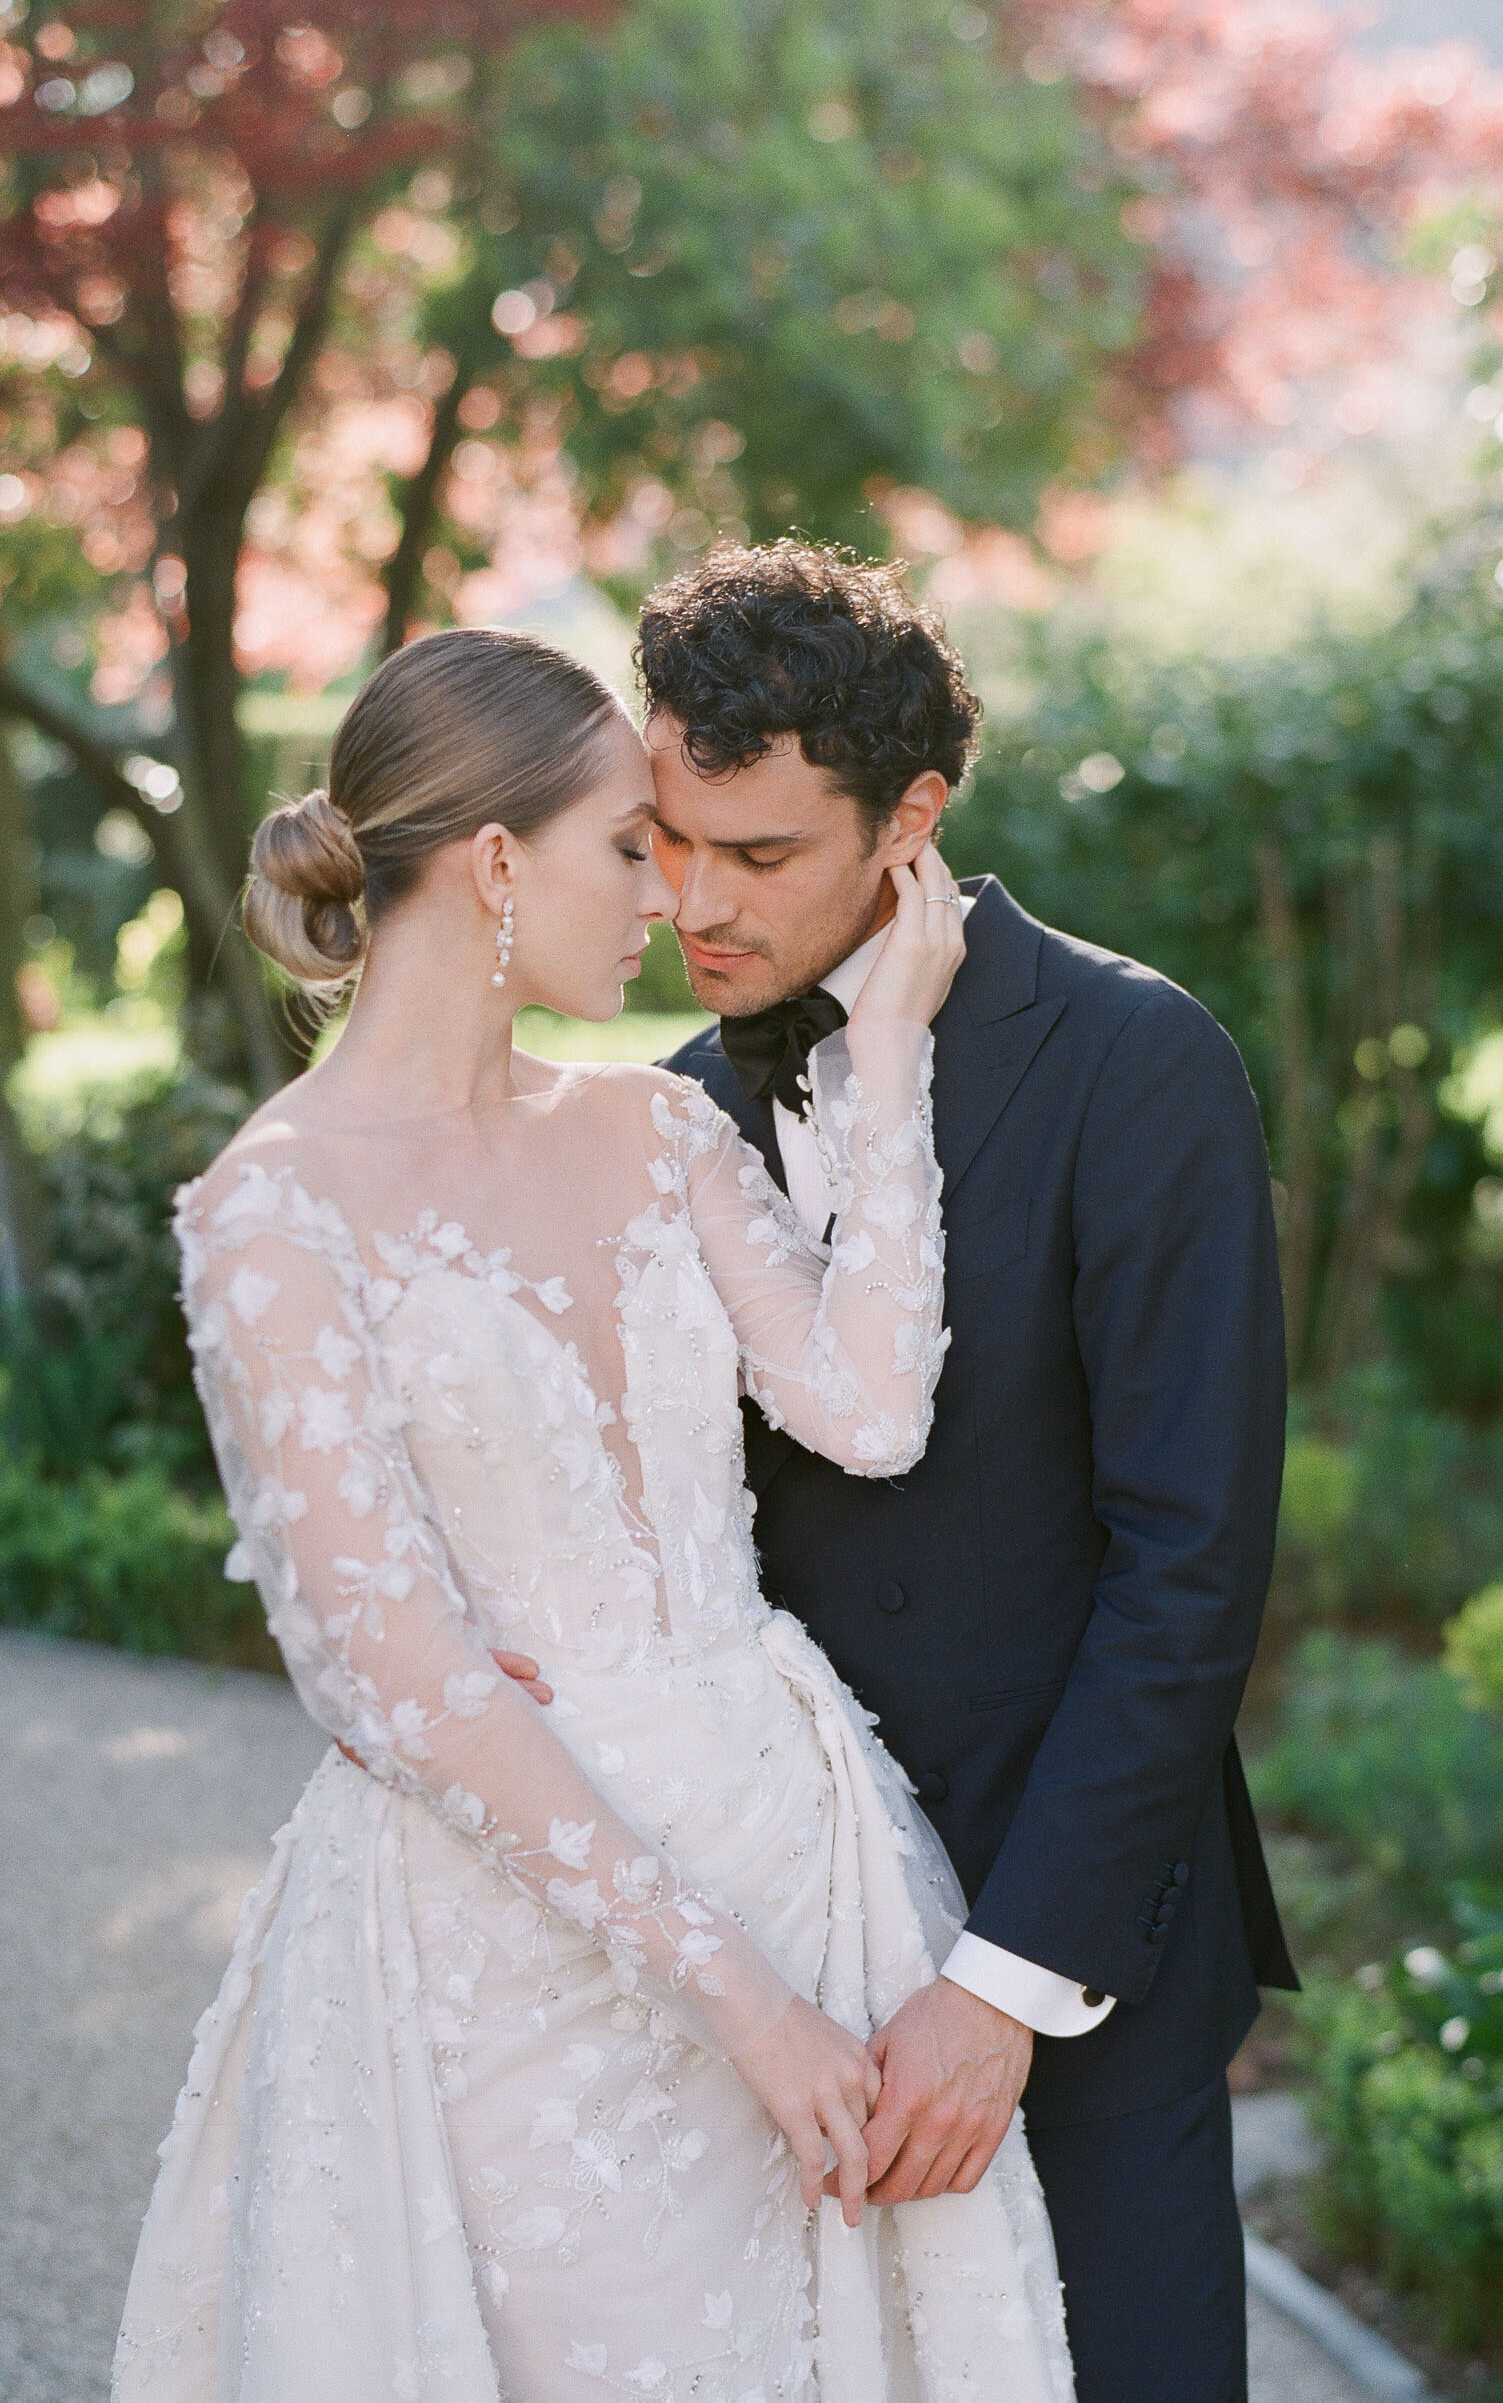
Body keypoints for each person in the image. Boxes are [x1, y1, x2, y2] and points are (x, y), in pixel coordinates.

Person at [113, 627, 1074, 2403]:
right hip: (510, 1946)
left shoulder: (659, 1135)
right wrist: (737, 1998)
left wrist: (896, 1062)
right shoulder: (272, 1216)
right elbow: (389, 1675)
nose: (672, 894)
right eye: (632, 846)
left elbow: (865, 1414)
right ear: (494, 863)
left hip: (803, 1866)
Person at [643, 542, 1298, 2403]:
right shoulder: (678, 1107)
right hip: (796, 1951)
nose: (695, 900)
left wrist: (1003, 1985)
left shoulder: (1135, 1058)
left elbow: (1190, 1560)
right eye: (673, 839)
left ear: (910, 815)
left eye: (758, 855)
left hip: (1072, 1939)